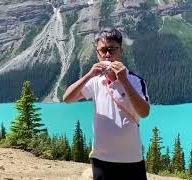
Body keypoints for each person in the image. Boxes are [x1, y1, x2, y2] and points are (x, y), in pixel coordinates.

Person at [63, 27, 150, 180]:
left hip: (131, 159)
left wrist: (123, 80)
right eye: (103, 50)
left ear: (121, 51)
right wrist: (89, 75)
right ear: (98, 54)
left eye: (112, 49)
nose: (108, 55)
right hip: (101, 159)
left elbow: (144, 112)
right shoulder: (95, 81)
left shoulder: (136, 81)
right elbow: (67, 98)